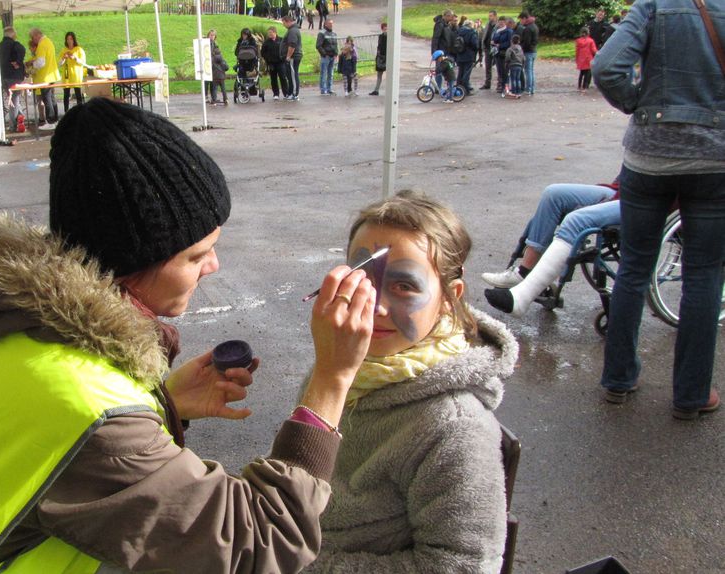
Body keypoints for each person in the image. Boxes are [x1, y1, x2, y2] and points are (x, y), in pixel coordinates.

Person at [0, 98, 376, 573]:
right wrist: (331, 380)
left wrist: (160, 405)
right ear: (133, 260)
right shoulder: (84, 411)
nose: (214, 266)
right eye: (196, 255)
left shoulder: (10, 322)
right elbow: (256, 542)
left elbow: (36, 453)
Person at [303, 191, 517, 573]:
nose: (378, 306)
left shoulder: (454, 428)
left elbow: (464, 566)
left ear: (450, 299)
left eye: (404, 286)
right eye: (363, 280)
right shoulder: (341, 366)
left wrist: (300, 565)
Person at [593, 0, 725, 418]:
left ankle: (618, 379)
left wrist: (639, 105)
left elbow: (606, 67)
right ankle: (690, 396)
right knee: (704, 275)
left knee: (633, 266)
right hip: (716, 159)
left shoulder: (655, 5)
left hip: (649, 157)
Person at [482, 180, 621, 316]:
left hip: (639, 202)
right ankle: (523, 273)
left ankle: (522, 297)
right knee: (553, 194)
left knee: (575, 221)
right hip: (624, 189)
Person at [27, 27, 60, 125]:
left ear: (37, 35)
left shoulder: (41, 44)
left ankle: (50, 122)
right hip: (52, 74)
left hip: (45, 76)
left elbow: (41, 63)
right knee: (52, 99)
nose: (33, 40)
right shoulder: (48, 41)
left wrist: (32, 64)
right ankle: (54, 120)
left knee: (47, 99)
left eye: (32, 38)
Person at [0, 26, 26, 133]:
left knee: (12, 100)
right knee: (14, 100)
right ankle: (13, 125)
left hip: (3, 76)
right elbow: (22, 50)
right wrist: (18, 63)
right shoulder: (15, 45)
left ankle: (20, 116)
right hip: (14, 76)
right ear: (12, 34)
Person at [58, 31, 85, 113]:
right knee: (66, 95)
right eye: (67, 39)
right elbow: (59, 64)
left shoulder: (79, 49)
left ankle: (80, 112)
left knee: (78, 95)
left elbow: (83, 62)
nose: (69, 41)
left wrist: (75, 58)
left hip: (76, 75)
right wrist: (63, 58)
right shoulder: (63, 50)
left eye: (71, 39)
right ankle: (66, 112)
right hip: (67, 76)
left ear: (74, 40)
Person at [516, 11, 539, 95]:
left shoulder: (528, 28)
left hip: (528, 52)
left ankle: (528, 88)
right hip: (533, 51)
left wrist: (520, 47)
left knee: (528, 71)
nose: (520, 22)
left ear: (524, 18)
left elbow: (526, 42)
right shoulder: (534, 26)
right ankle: (531, 88)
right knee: (531, 71)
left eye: (521, 19)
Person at [282, 14, 303, 101]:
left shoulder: (293, 31)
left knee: (293, 75)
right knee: (290, 75)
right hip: (293, 56)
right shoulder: (292, 30)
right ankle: (291, 93)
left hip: (293, 56)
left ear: (288, 22)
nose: (283, 25)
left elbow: (292, 45)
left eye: (284, 23)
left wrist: (288, 56)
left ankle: (294, 94)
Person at [455, 18, 479, 95]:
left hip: (460, 54)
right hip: (469, 55)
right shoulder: (472, 32)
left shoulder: (458, 31)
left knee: (460, 72)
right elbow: (475, 44)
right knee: (466, 73)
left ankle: (458, 88)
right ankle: (466, 90)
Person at [316, 19, 339, 95]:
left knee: (331, 73)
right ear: (325, 24)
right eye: (330, 23)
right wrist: (324, 54)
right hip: (326, 56)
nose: (331, 25)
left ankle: (329, 89)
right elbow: (318, 45)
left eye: (332, 23)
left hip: (332, 56)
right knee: (324, 73)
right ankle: (323, 89)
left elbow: (335, 45)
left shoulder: (334, 34)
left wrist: (336, 53)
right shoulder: (322, 33)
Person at [491, 16, 513, 94]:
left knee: (505, 71)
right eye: (499, 22)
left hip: (504, 53)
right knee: (499, 71)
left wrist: (499, 45)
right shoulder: (497, 31)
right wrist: (493, 42)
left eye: (502, 22)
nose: (500, 23)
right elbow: (494, 39)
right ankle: (501, 85)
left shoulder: (509, 31)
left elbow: (509, 43)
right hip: (497, 54)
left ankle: (505, 86)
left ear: (505, 22)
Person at [262, 26, 285, 100]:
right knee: (273, 79)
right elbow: (263, 52)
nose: (269, 35)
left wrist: (283, 58)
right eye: (269, 33)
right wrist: (267, 59)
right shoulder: (266, 42)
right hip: (271, 63)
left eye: (271, 33)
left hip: (280, 62)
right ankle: (276, 94)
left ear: (275, 32)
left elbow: (285, 50)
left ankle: (286, 93)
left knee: (283, 77)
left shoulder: (281, 40)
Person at [207, 29, 229, 105]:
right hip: (221, 76)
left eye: (213, 35)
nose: (212, 36)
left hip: (214, 73)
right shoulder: (209, 44)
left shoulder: (213, 44)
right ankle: (225, 99)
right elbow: (226, 67)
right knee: (223, 88)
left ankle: (214, 99)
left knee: (214, 88)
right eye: (211, 35)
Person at [478, 11, 497, 90]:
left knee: (499, 67)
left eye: (491, 16)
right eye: (489, 16)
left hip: (495, 48)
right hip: (487, 48)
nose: (490, 17)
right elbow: (484, 35)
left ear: (495, 16)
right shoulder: (488, 25)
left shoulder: (498, 25)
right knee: (488, 67)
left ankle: (500, 84)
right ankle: (487, 83)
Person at [576, 27, 597, 92]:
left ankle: (579, 86)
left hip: (581, 58)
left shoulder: (578, 41)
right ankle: (585, 86)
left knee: (581, 73)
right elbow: (594, 50)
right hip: (588, 59)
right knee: (587, 73)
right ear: (588, 33)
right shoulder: (591, 41)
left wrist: (577, 58)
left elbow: (577, 50)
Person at [369, 21, 387, 96]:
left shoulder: (389, 37)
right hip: (381, 57)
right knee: (379, 75)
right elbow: (379, 47)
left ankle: (390, 90)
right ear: (382, 29)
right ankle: (376, 90)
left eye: (387, 29)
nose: (386, 30)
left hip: (387, 57)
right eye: (385, 29)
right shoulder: (381, 36)